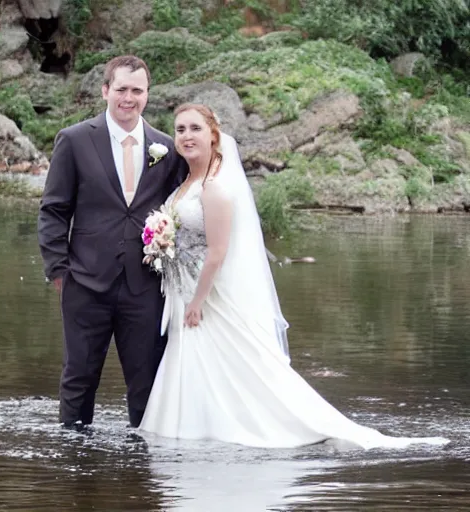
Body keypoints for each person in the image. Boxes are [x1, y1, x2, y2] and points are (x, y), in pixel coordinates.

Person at [139, 104, 449, 449]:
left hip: (205, 296)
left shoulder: (214, 187)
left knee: (236, 364)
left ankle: (255, 425)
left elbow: (218, 251)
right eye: (180, 130)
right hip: (183, 291)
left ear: (214, 135)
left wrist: (198, 301)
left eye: (195, 128)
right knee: (201, 363)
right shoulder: (187, 183)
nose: (186, 136)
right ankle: (195, 425)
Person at [37, 55, 187, 430]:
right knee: (79, 378)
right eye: (121, 89)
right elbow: (54, 210)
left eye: (137, 90)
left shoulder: (166, 149)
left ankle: (142, 470)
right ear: (105, 91)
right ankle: (74, 462)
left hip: (146, 286)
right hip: (85, 282)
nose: (128, 98)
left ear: (147, 95)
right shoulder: (74, 140)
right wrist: (59, 270)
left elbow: (180, 212)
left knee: (146, 382)